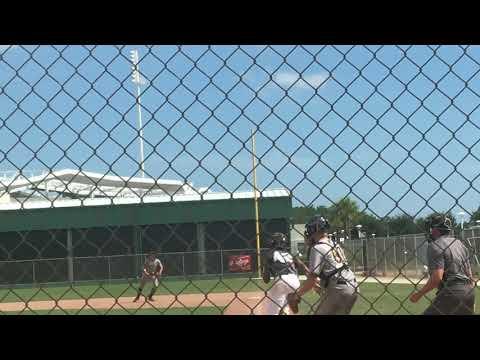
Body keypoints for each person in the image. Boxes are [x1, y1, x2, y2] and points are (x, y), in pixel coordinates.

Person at [290, 215, 358, 315]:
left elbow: (312, 280)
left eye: (309, 229)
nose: (308, 233)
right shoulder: (334, 243)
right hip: (352, 286)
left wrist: (296, 295)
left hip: (339, 289)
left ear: (315, 229)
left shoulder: (318, 248)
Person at [409, 213, 476, 315]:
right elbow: (470, 276)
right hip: (469, 292)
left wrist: (418, 295)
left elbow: (437, 277)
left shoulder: (435, 245)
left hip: (451, 291)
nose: (429, 231)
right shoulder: (459, 244)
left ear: (436, 229)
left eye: (431, 228)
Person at [259, 232, 301, 315]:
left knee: (272, 308)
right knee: (286, 302)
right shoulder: (289, 254)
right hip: (295, 281)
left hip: (282, 280)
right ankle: (285, 309)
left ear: (273, 243)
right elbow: (298, 266)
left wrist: (265, 268)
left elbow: (266, 280)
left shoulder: (270, 254)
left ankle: (280, 311)